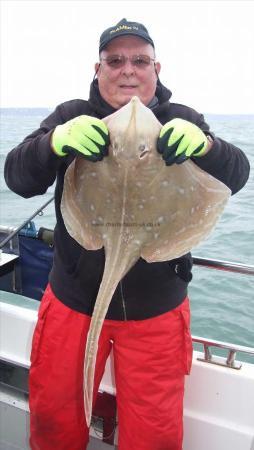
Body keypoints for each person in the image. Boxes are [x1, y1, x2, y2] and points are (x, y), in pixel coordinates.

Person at [4, 18, 249, 450]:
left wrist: (207, 145)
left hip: (156, 310)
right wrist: (55, 142)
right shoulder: (72, 115)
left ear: (157, 69)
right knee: (55, 421)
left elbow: (238, 174)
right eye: (114, 60)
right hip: (73, 302)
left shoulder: (183, 119)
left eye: (140, 60)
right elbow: (18, 176)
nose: (128, 70)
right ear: (97, 70)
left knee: (154, 432)